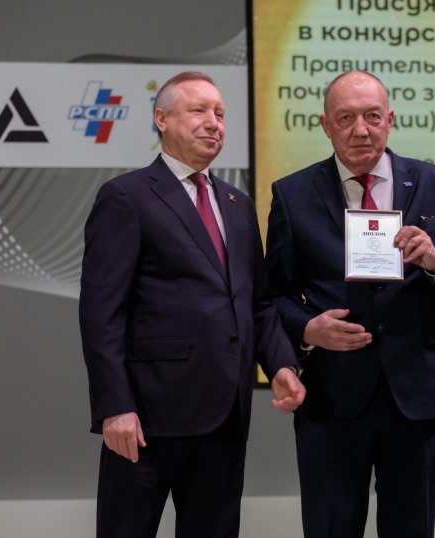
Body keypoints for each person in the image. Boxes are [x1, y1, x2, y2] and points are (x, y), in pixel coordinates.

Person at [265, 70, 435, 538]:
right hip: (331, 397)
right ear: (325, 125)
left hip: (416, 395)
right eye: (345, 118)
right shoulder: (292, 194)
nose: (361, 130)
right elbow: (273, 296)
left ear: (390, 120)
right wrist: (308, 328)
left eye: (372, 117)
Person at [79, 71, 305, 538]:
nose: (213, 122)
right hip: (147, 418)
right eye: (198, 110)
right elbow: (102, 314)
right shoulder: (126, 197)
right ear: (161, 119)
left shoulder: (238, 203)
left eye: (220, 114)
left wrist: (281, 364)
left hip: (225, 418)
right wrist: (114, 406)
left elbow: (257, 303)